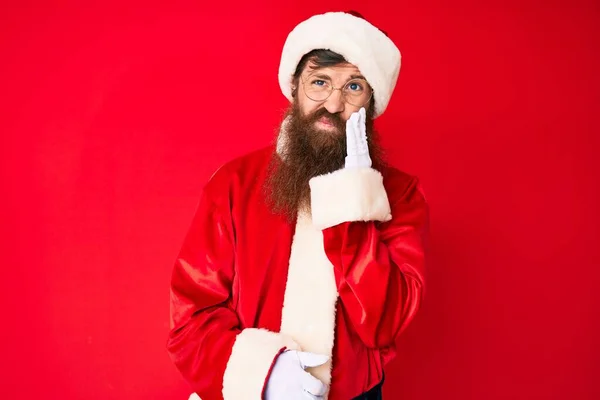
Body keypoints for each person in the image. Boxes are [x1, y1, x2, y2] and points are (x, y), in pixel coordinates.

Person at [167, 10, 429, 400]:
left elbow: (385, 323)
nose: (334, 104)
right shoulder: (233, 184)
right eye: (319, 82)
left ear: (371, 103)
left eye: (354, 87)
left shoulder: (400, 194)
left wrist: (351, 201)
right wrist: (262, 374)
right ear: (294, 87)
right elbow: (190, 317)